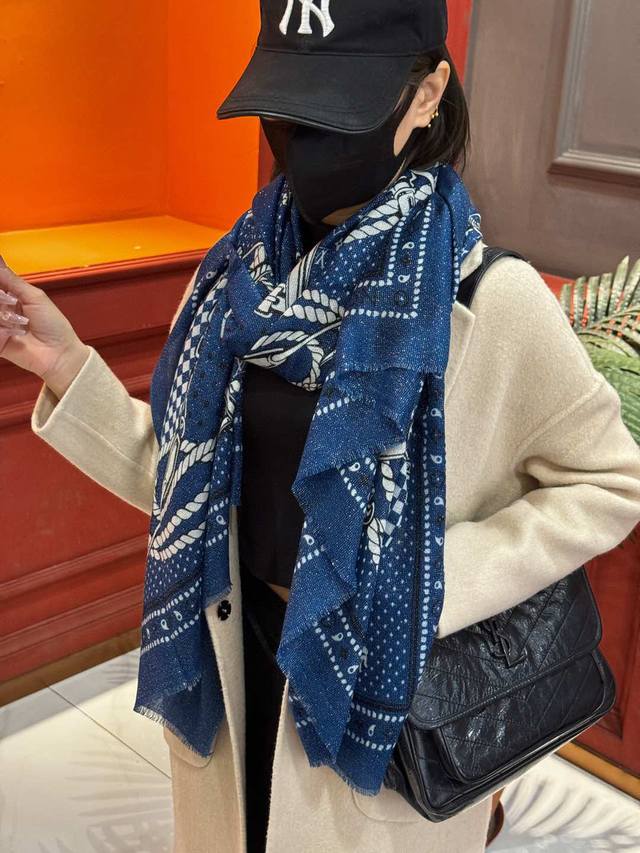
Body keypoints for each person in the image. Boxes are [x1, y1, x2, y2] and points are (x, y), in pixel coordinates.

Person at [2, 2, 640, 852]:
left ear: (426, 95)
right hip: (234, 668)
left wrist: (423, 584)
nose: (301, 139)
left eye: (337, 109)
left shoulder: (488, 300)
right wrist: (64, 365)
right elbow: (190, 484)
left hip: (377, 700)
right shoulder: (236, 282)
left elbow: (609, 480)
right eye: (286, 105)